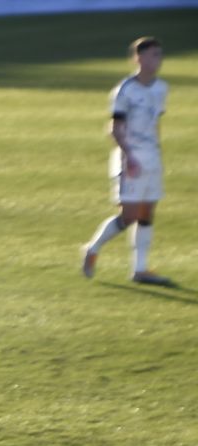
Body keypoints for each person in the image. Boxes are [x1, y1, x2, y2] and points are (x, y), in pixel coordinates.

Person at [81, 37, 173, 286]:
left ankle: (140, 270)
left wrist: (155, 154)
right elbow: (115, 128)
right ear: (139, 58)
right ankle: (92, 248)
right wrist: (128, 157)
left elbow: (154, 124)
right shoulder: (125, 90)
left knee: (147, 213)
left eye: (159, 54)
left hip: (152, 157)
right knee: (129, 215)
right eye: (153, 54)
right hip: (129, 158)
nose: (158, 59)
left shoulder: (161, 88)